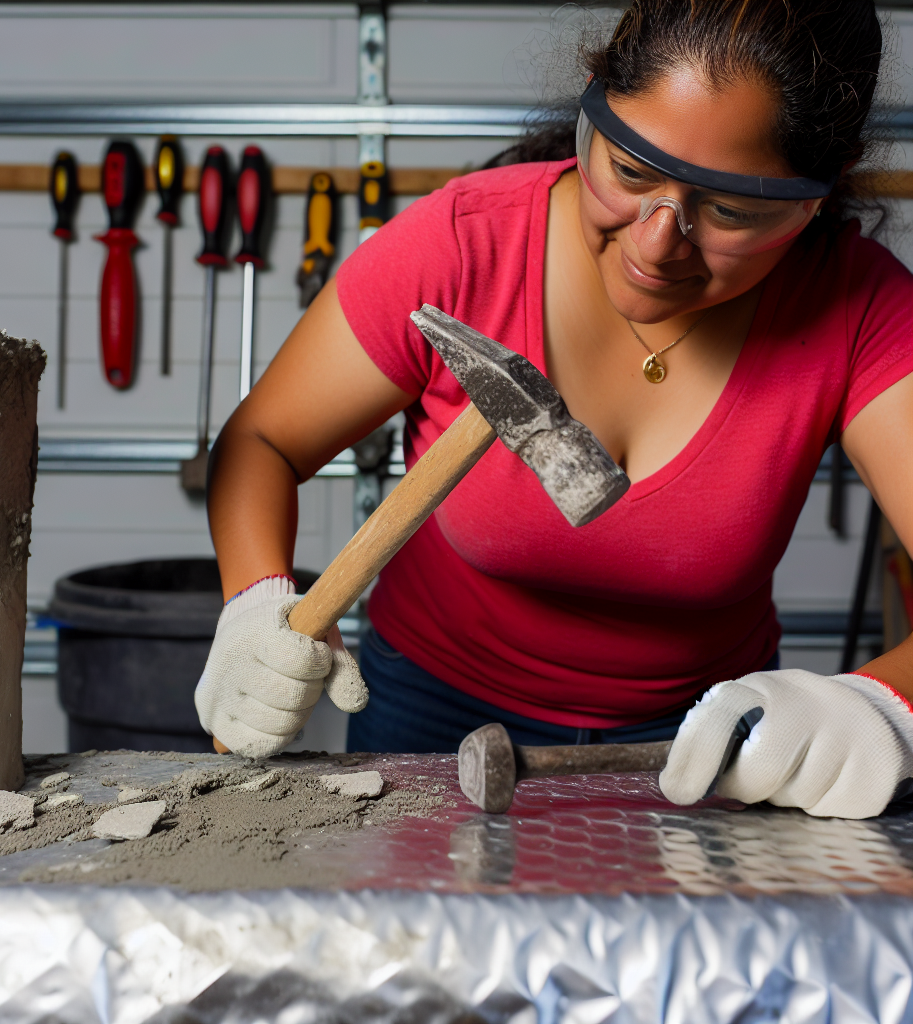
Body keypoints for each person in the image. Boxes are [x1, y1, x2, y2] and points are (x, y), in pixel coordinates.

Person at [195, 0, 912, 820]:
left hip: (705, 740)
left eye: (731, 211)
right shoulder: (461, 247)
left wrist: (887, 700)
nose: (654, 244)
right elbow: (263, 440)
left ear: (821, 191)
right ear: (592, 103)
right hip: (431, 716)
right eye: (631, 173)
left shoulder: (860, 310)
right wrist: (255, 598)